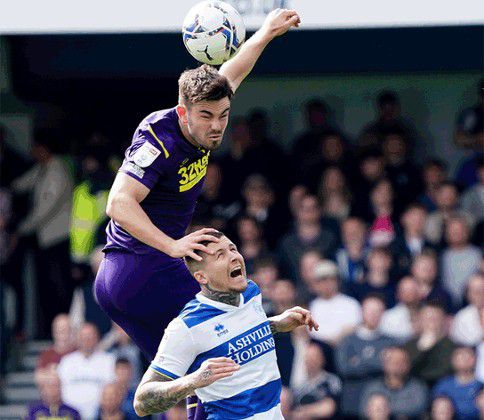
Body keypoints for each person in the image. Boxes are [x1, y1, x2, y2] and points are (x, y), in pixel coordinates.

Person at [94, 9, 300, 419]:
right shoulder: (159, 138)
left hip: (135, 275)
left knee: (195, 377)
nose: (217, 126)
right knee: (217, 362)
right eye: (206, 116)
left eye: (223, 115)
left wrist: (265, 34)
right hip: (141, 270)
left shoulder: (210, 110)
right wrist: (172, 246)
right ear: (183, 110)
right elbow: (117, 203)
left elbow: (232, 71)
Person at [133, 231, 319, 418]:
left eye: (233, 249)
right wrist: (193, 381)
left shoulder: (251, 292)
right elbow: (141, 402)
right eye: (220, 255)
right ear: (202, 277)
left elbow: (236, 334)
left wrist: (275, 324)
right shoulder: (186, 326)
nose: (234, 257)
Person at [336, 294, 395, 417]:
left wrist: (359, 361)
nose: (374, 314)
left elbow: (391, 369)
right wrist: (378, 361)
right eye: (370, 310)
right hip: (352, 404)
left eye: (378, 311)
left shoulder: (391, 342)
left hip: (382, 404)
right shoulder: (347, 341)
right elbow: (344, 369)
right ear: (362, 312)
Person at [57, 323, 116, 419]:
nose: (87, 340)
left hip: (100, 416)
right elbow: (58, 389)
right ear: (77, 339)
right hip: (69, 415)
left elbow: (115, 390)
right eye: (83, 337)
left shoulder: (109, 360)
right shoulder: (66, 361)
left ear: (97, 338)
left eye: (90, 337)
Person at [359, 346, 428, 418]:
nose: (397, 365)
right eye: (392, 361)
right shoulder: (373, 387)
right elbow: (364, 410)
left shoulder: (417, 387)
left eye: (401, 361)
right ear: (384, 364)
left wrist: (383, 408)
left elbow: (419, 408)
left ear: (408, 365)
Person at [405, 302, 455, 387]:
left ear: (443, 321)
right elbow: (407, 370)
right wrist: (422, 349)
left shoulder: (452, 346)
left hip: (443, 389)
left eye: (435, 319)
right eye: (427, 319)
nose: (431, 323)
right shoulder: (409, 345)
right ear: (420, 321)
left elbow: (447, 371)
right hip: (414, 390)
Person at [291, 340, 342, 419]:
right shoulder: (298, 385)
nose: (311, 361)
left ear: (322, 359)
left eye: (314, 357)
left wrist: (305, 412)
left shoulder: (331, 381)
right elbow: (292, 413)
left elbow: (329, 408)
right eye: (309, 358)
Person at [440, 215, 481, 308]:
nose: (457, 233)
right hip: (446, 306)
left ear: (467, 231)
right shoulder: (441, 256)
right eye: (453, 230)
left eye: (460, 229)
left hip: (473, 306)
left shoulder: (478, 255)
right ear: (446, 233)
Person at [433, 346, 483, 420]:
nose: (463, 360)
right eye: (460, 357)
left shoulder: (480, 386)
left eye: (467, 357)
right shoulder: (443, 385)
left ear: (475, 359)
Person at [379, 276, 421, 341]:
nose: (410, 294)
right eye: (405, 291)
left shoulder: (430, 314)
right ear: (398, 294)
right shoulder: (388, 318)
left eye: (413, 290)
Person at [450, 273, 484, 346]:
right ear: (468, 294)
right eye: (474, 290)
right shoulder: (461, 317)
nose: (478, 294)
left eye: (482, 289)